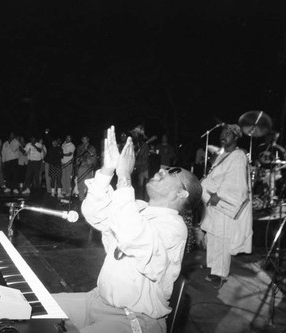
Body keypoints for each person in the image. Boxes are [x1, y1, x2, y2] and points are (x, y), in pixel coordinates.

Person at [53, 126, 202, 333]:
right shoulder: (138, 208)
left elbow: (134, 236)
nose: (162, 170)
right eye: (166, 168)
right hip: (97, 301)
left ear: (182, 194)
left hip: (135, 318)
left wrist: (124, 177)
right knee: (33, 308)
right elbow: (95, 214)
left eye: (173, 172)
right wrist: (108, 170)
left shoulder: (175, 228)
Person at [200, 124, 253, 287]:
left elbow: (235, 181)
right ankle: (212, 266)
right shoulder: (224, 155)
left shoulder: (238, 156)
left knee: (222, 238)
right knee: (213, 235)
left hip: (222, 202)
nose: (223, 136)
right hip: (212, 202)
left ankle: (220, 273)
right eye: (222, 133)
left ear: (236, 137)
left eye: (228, 134)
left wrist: (219, 196)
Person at [74, 135, 97, 201]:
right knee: (80, 183)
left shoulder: (91, 148)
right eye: (83, 139)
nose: (84, 140)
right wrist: (76, 166)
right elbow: (77, 157)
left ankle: (88, 199)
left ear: (88, 139)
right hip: (81, 167)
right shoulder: (80, 147)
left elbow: (94, 158)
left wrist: (92, 164)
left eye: (85, 139)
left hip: (89, 168)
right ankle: (81, 199)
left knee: (89, 184)